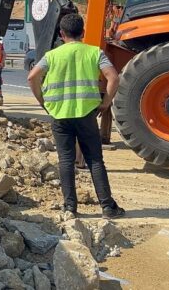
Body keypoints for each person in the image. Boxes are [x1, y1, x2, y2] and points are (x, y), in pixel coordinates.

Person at [27, 14, 125, 219]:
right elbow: (113, 78)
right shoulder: (94, 52)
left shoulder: (52, 55)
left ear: (61, 34)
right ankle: (108, 207)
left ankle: (70, 207)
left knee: (65, 160)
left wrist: (42, 101)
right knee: (95, 160)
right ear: (83, 32)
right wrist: (105, 102)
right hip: (86, 114)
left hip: (60, 115)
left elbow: (32, 76)